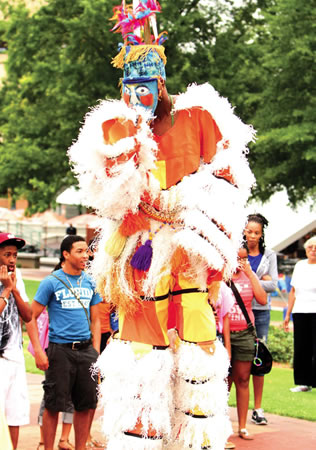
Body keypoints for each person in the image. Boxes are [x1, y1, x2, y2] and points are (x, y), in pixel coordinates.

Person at [68, 2, 255, 448]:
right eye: (128, 88)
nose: (137, 97)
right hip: (140, 255)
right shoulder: (118, 128)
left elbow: (229, 179)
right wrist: (131, 151)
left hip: (188, 253)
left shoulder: (199, 118)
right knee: (140, 354)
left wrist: (192, 206)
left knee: (194, 348)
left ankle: (197, 436)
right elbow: (111, 195)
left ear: (161, 82)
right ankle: (140, 436)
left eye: (144, 86)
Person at [29, 235, 101, 450]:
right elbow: (30, 316)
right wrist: (40, 353)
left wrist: (95, 351)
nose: (85, 255)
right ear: (66, 254)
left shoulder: (90, 281)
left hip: (86, 350)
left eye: (86, 251)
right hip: (59, 351)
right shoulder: (51, 282)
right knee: (54, 405)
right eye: (79, 251)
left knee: (85, 405)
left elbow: (96, 319)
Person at [228, 248, 267, 440]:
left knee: (243, 379)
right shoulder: (221, 276)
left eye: (244, 258)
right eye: (237, 257)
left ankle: (242, 427)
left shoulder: (248, 276)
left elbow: (262, 298)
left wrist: (250, 273)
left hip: (245, 334)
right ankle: (219, 424)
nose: (240, 261)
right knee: (223, 382)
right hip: (222, 333)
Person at [243, 213, 278, 425]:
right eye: (249, 231)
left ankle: (257, 409)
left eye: (257, 232)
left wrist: (250, 278)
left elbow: (273, 285)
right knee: (234, 361)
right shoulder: (237, 252)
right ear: (244, 231)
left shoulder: (269, 255)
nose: (252, 236)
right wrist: (259, 279)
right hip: (240, 311)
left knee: (259, 359)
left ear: (262, 234)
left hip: (261, 312)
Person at [0, 232, 32, 449]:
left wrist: (15, 289)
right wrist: (7, 289)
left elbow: (28, 315)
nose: (12, 260)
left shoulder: (16, 275)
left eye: (15, 255)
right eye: (7, 255)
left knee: (15, 413)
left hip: (15, 354)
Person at [284, 236, 316, 392]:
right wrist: (287, 315)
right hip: (300, 311)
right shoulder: (300, 265)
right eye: (310, 247)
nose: (313, 250)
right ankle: (304, 383)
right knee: (301, 348)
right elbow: (293, 291)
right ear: (306, 249)